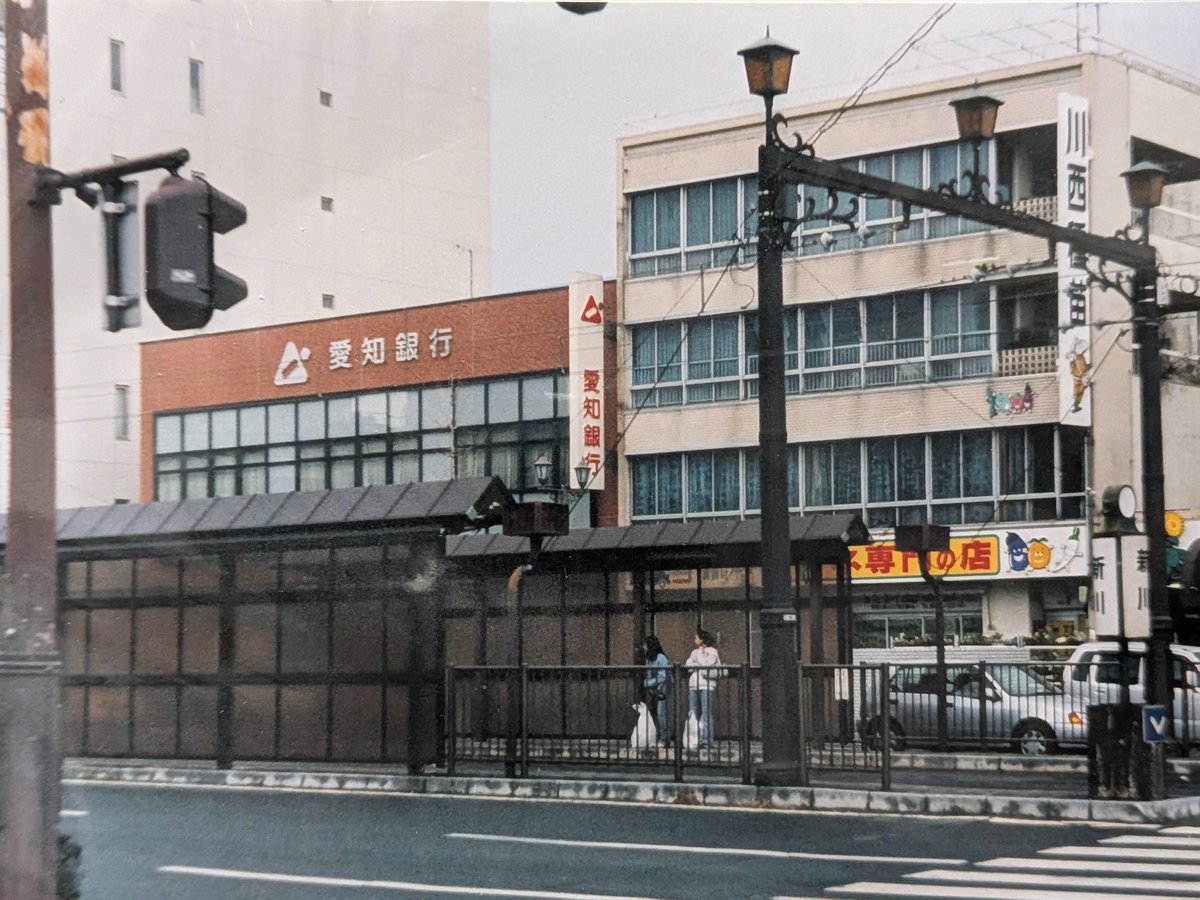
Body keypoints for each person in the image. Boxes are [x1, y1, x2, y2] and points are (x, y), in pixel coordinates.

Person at [685, 629, 721, 749]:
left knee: (706, 713)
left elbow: (707, 665)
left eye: (696, 638)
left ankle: (707, 740)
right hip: (694, 685)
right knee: (693, 713)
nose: (694, 640)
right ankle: (696, 739)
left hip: (707, 685)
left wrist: (700, 655)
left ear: (702, 639)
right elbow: (688, 665)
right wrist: (697, 662)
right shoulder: (694, 652)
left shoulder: (712, 651)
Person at [642, 635, 672, 746]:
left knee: (661, 714)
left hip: (662, 690)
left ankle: (664, 739)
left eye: (645, 645)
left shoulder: (660, 658)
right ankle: (655, 738)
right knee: (654, 714)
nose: (643, 647)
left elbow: (662, 677)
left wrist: (648, 683)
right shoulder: (649, 659)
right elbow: (649, 673)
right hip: (654, 689)